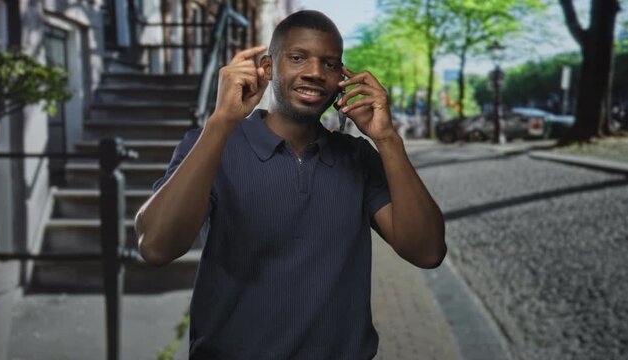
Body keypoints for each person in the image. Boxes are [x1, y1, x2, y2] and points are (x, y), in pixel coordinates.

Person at [135, 10, 446, 359]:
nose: (314, 72)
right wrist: (221, 121)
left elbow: (428, 251)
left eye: (329, 64)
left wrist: (387, 138)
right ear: (268, 68)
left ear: (343, 78)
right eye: (298, 58)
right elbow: (157, 247)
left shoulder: (357, 157)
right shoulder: (211, 144)